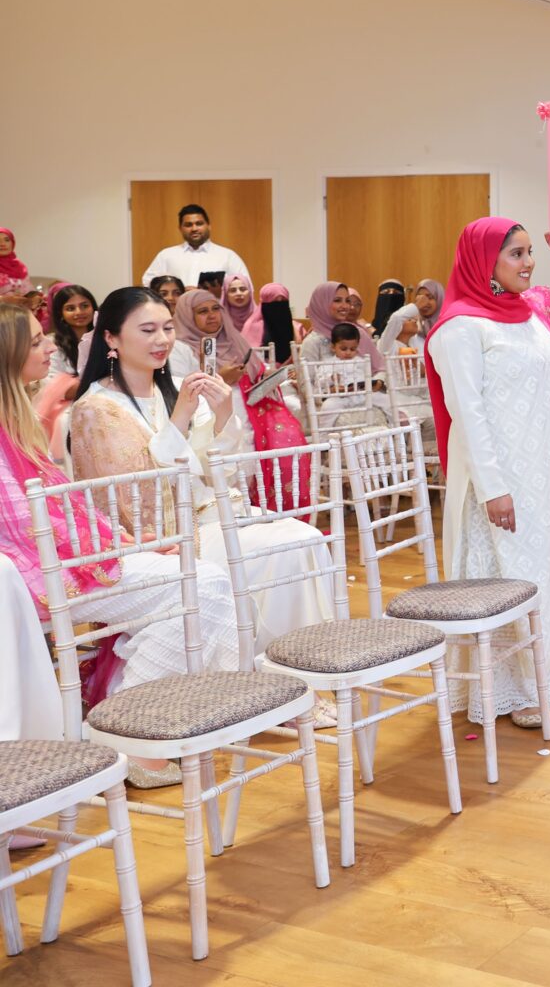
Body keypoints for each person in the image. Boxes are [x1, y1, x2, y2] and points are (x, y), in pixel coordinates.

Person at [0, 303, 243, 787]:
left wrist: (128, 541)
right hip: (32, 576)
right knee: (204, 587)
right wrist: (118, 547)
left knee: (210, 582)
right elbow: (28, 523)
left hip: (85, 547)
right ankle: (129, 738)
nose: (52, 346)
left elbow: (68, 508)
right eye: (36, 342)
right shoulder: (89, 406)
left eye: (167, 328)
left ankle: (133, 730)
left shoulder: (19, 412)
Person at [66, 289, 331, 716]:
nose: (162, 340)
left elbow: (216, 467)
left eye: (168, 328)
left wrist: (222, 413)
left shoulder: (170, 390)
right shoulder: (98, 409)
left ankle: (295, 680)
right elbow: (137, 495)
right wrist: (183, 419)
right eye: (148, 330)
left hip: (209, 513)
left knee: (305, 539)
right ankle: (260, 687)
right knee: (285, 548)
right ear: (111, 340)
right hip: (166, 535)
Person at [425, 216, 550, 727]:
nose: (529, 263)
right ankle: (504, 688)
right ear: (483, 261)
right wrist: (494, 489)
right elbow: (467, 414)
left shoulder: (528, 312)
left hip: (545, 472)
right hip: (504, 479)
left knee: (544, 567)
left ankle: (543, 677)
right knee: (512, 574)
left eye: (531, 252)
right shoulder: (461, 327)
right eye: (516, 253)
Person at [140, 203, 252, 290]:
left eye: (199, 223)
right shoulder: (166, 255)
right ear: (180, 228)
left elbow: (246, 287)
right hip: (176, 316)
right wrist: (177, 291)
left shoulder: (227, 256)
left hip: (215, 316)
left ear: (209, 226)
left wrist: (216, 292)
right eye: (188, 225)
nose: (194, 229)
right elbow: (148, 283)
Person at [378, 279, 443, 358]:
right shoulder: (388, 344)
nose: (424, 302)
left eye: (430, 297)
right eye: (409, 319)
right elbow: (396, 319)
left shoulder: (415, 342)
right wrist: (417, 306)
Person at [48, 283, 95, 377]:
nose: (79, 312)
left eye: (85, 306)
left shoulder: (106, 338)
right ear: (60, 313)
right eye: (70, 308)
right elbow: (51, 380)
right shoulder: (52, 344)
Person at [0, 228, 30, 300]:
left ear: (12, 243)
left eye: (7, 240)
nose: (2, 244)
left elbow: (29, 291)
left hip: (21, 309)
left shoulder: (20, 267)